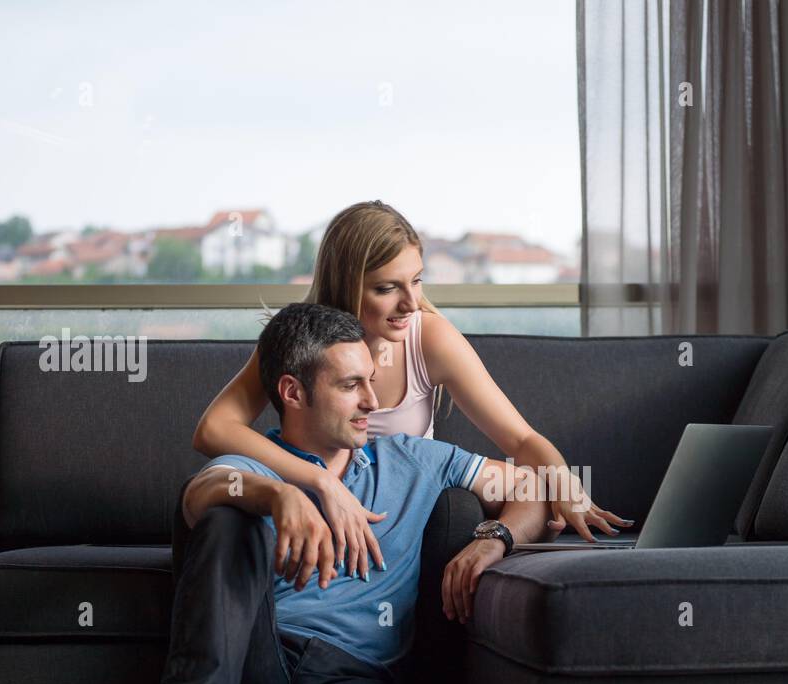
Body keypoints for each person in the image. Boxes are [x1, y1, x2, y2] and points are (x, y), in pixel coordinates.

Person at [142, 302, 550, 684]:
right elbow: (199, 494)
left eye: (371, 382)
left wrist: (496, 537)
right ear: (293, 392)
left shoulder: (411, 460)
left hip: (346, 677)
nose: (372, 402)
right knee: (224, 518)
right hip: (253, 668)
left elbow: (529, 487)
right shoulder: (255, 464)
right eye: (350, 385)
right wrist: (277, 495)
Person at [192, 200, 633, 620]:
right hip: (324, 509)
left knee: (459, 508)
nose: (411, 303)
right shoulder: (304, 340)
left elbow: (519, 440)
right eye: (387, 288)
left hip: (404, 518)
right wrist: (320, 482)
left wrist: (564, 482)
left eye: (417, 281)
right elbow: (214, 428)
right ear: (347, 284)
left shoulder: (428, 336)